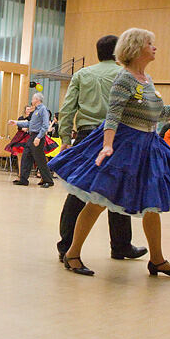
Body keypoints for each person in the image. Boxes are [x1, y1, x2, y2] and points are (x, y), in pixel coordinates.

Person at [50, 28, 170, 277]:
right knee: (98, 200)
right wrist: (108, 145)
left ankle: (157, 259)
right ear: (136, 48)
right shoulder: (124, 78)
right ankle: (73, 253)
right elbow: (113, 115)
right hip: (124, 144)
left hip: (147, 145)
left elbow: (154, 112)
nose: (155, 48)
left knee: (151, 203)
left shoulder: (146, 79)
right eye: (150, 43)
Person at [56, 33, 146, 263]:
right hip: (117, 136)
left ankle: (66, 245)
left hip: (86, 136)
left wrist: (65, 137)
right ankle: (121, 245)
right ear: (119, 53)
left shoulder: (82, 74)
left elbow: (67, 109)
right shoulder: (126, 75)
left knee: (78, 191)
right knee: (116, 190)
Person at [10, 92, 54, 188]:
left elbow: (45, 125)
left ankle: (48, 180)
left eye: (33, 99)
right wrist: (16, 122)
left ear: (37, 100)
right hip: (31, 137)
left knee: (40, 159)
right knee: (26, 157)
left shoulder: (43, 110)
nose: (32, 100)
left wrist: (39, 137)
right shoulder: (35, 111)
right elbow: (30, 124)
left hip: (38, 137)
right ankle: (23, 179)